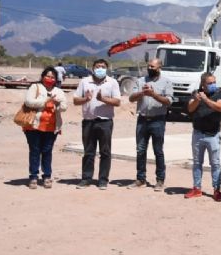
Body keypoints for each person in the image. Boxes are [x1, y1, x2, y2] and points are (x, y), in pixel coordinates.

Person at [73, 59, 121, 190]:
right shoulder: (84, 81)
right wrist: (85, 99)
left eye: (103, 67)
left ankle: (103, 180)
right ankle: (86, 179)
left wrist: (103, 99)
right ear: (93, 68)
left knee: (105, 152)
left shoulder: (112, 82)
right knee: (88, 152)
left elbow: (117, 102)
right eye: (98, 66)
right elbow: (75, 100)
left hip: (105, 122)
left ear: (107, 68)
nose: (100, 69)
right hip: (88, 121)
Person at [128, 59, 174, 192]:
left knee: (158, 151)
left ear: (159, 67)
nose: (150, 68)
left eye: (153, 66)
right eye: (148, 66)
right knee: (140, 150)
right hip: (142, 119)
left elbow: (168, 101)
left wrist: (153, 94)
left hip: (158, 120)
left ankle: (160, 180)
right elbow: (131, 98)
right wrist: (142, 93)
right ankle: (140, 179)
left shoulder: (166, 82)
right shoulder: (141, 80)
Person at [22, 66, 67, 189]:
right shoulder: (35, 87)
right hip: (34, 125)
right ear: (42, 77)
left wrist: (58, 104)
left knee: (47, 152)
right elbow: (28, 102)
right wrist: (46, 101)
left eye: (52, 77)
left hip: (52, 127)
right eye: (47, 76)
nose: (50, 78)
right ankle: (33, 177)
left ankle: (47, 176)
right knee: (35, 151)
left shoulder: (59, 91)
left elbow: (64, 107)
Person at [185, 72, 221, 201]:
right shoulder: (196, 93)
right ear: (203, 84)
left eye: (214, 82)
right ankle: (197, 188)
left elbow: (220, 107)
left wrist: (206, 100)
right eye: (209, 83)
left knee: (215, 163)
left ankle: (217, 190)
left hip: (213, 135)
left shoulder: (219, 93)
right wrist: (197, 99)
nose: (213, 85)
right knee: (197, 163)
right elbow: (190, 109)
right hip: (198, 133)